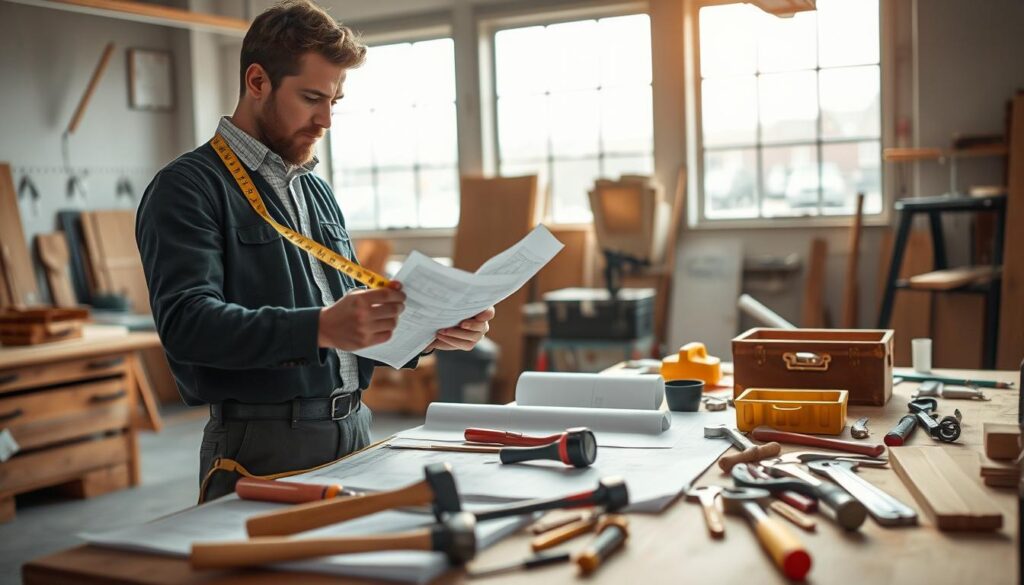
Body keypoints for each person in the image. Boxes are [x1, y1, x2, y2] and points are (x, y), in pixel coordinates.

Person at [136, 0, 494, 501]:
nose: (326, 119)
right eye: (311, 97)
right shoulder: (187, 188)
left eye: (335, 101)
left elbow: (350, 330)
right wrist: (319, 326)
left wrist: (430, 334)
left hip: (356, 428)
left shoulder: (315, 190)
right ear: (257, 81)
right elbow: (187, 326)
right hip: (263, 444)